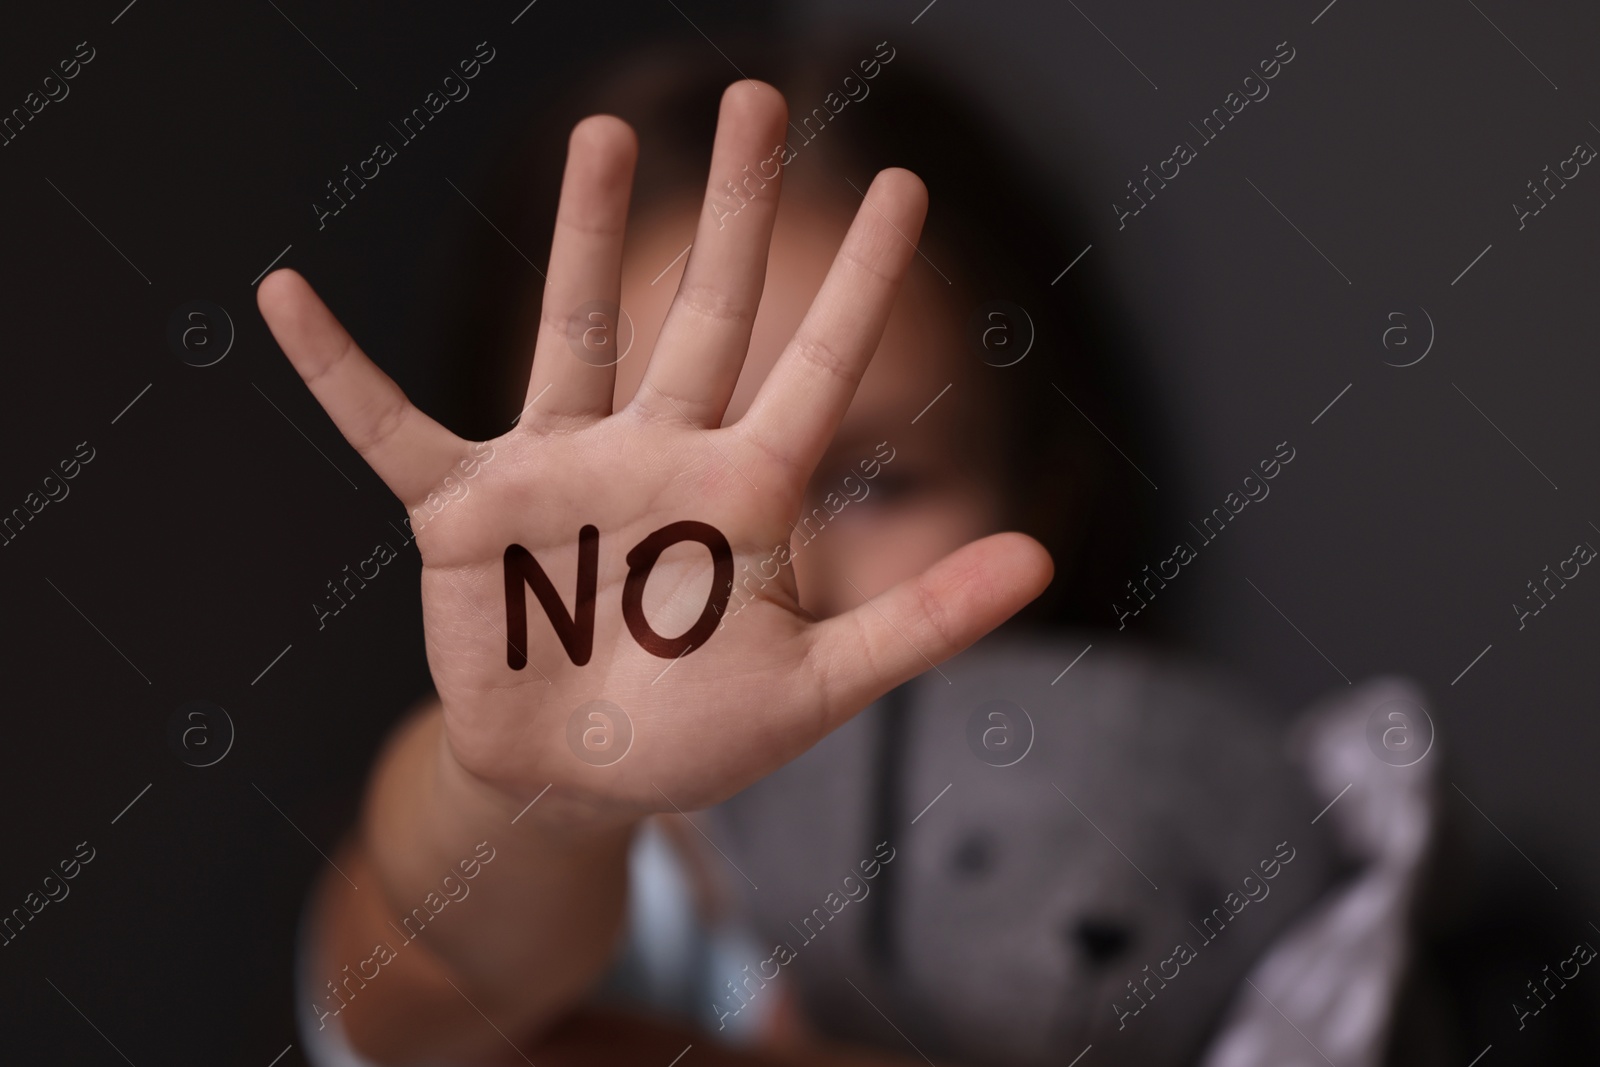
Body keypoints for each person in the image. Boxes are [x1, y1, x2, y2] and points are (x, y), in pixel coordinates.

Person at [260, 42, 1472, 1067]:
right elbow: (411, 982)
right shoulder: (640, 897)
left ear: (1041, 490)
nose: (766, 575)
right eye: (643, 523)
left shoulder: (1178, 843)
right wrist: (538, 791)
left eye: (878, 479)